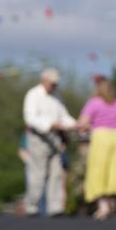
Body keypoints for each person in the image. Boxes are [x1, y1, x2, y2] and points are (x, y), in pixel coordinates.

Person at [23, 68, 76, 216]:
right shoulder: (33, 95)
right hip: (39, 138)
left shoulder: (57, 97)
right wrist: (50, 125)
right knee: (37, 174)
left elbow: (64, 117)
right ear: (44, 81)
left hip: (55, 139)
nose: (54, 86)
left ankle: (55, 207)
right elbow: (31, 118)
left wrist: (76, 125)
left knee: (56, 173)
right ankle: (32, 206)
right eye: (52, 83)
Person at [78, 76, 116, 220]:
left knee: (99, 170)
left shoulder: (93, 103)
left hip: (101, 137)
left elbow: (82, 124)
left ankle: (103, 207)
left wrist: (91, 127)